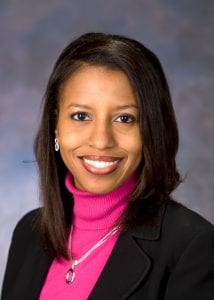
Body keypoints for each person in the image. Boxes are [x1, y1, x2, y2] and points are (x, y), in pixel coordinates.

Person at [1, 32, 214, 300]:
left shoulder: (191, 247)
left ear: (151, 129)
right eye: (81, 116)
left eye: (125, 118)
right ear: (56, 125)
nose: (101, 141)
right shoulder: (29, 233)